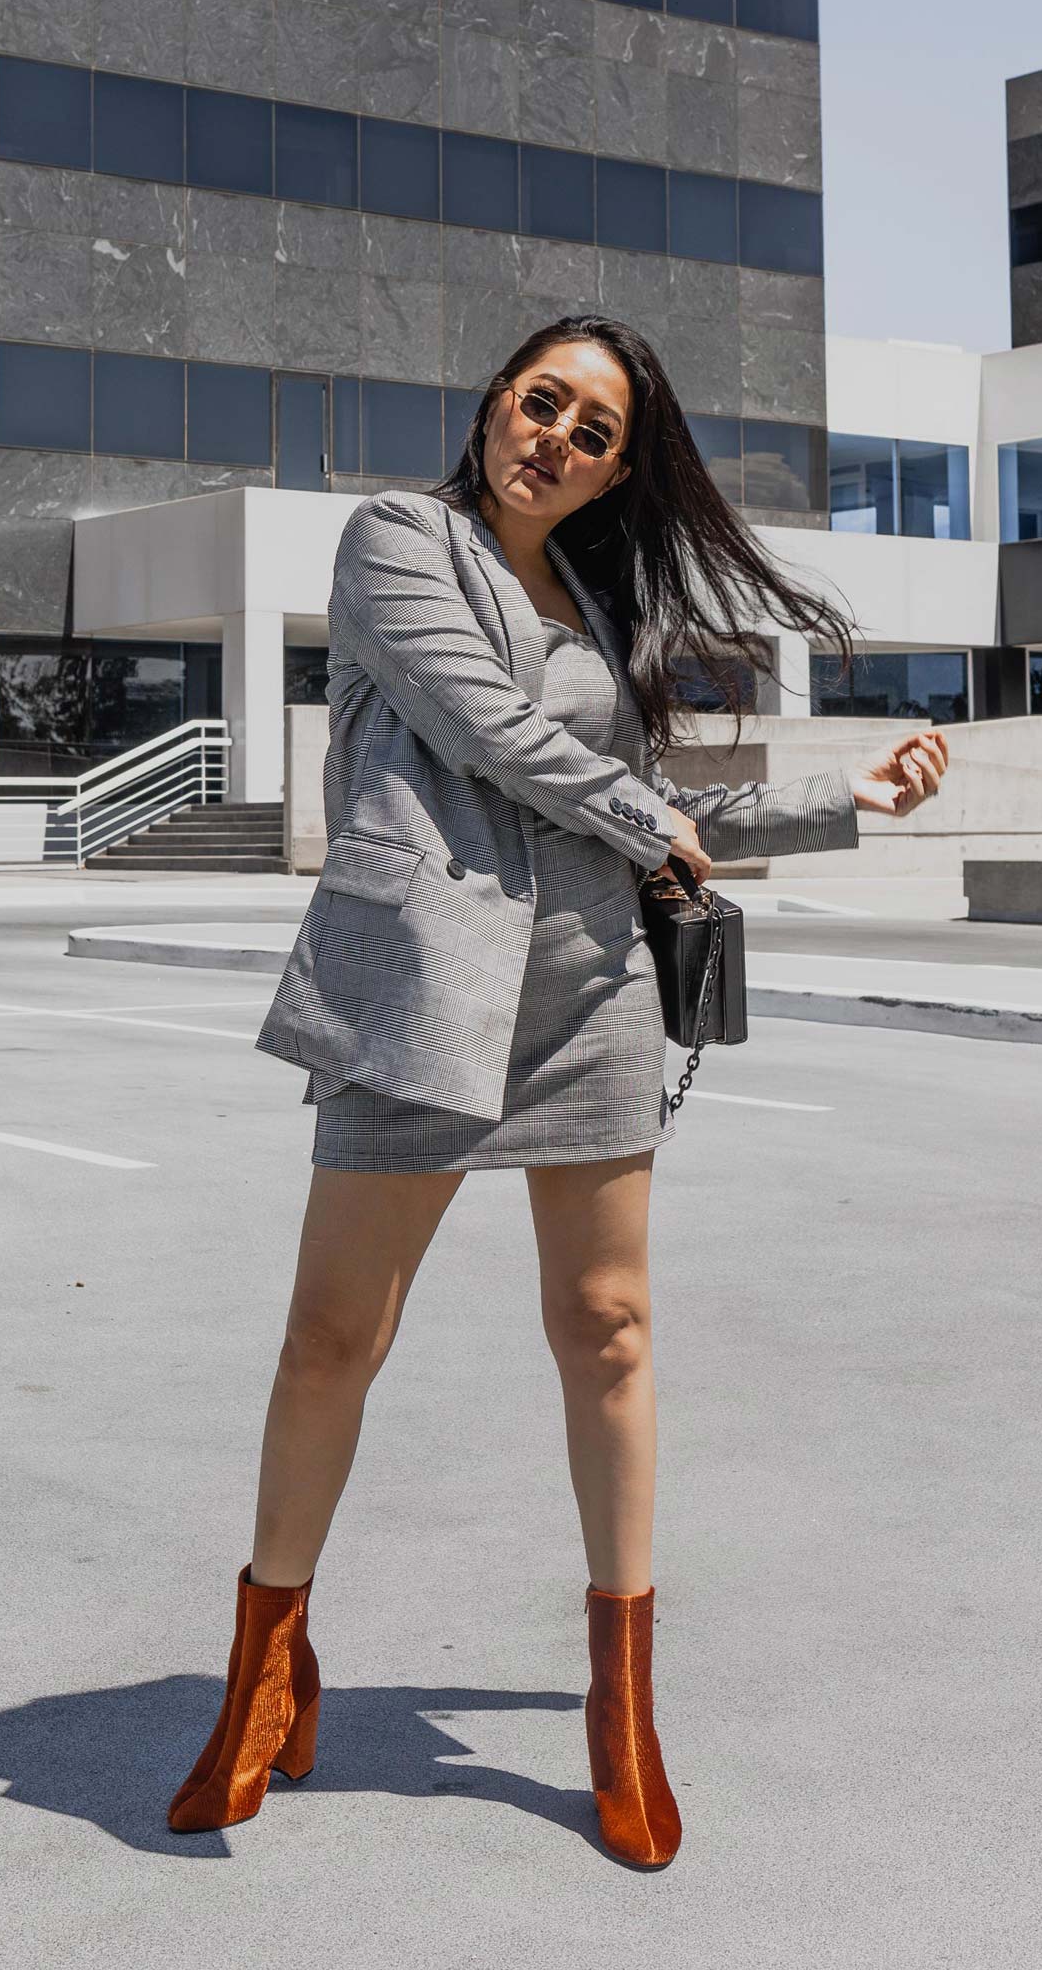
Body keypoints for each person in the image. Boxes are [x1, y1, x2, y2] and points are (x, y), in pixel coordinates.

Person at [167, 316, 948, 1862]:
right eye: (545, 404)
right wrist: (661, 821)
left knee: (609, 1329)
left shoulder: (591, 591)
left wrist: (830, 803)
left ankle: (621, 1704)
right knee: (336, 1338)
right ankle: (267, 1667)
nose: (560, 442)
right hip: (423, 1001)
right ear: (492, 399)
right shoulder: (401, 539)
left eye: (596, 434)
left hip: (589, 996)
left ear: (613, 473)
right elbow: (492, 733)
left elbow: (629, 819)